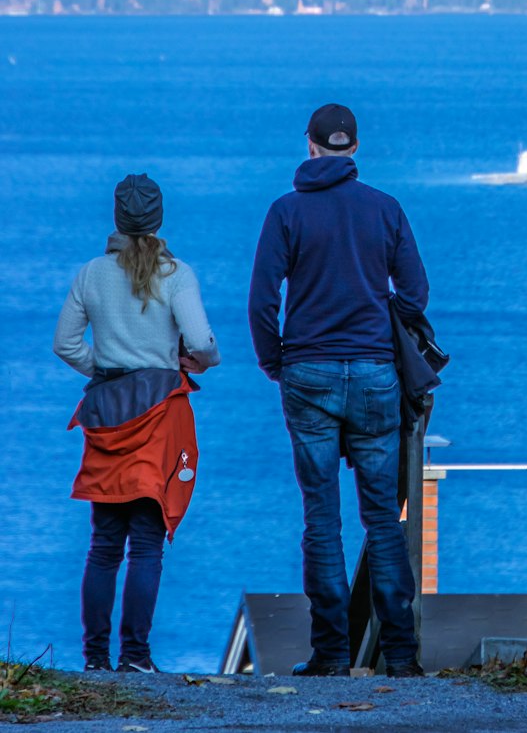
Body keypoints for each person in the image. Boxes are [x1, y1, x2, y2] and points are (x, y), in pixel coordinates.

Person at [249, 103, 429, 678]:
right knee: (383, 517)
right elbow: (416, 294)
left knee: (321, 517)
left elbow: (261, 302)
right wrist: (381, 319)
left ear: (310, 146)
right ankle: (400, 654)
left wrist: (275, 359)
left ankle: (330, 652)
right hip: (377, 373)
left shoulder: (285, 212)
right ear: (354, 148)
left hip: (308, 374)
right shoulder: (385, 208)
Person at [53, 173, 220, 674]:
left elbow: (65, 344)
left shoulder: (91, 273)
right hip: (160, 413)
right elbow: (203, 342)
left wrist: (105, 370)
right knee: (147, 542)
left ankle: (95, 659)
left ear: (117, 217)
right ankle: (136, 657)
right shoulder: (178, 274)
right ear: (159, 218)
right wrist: (188, 362)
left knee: (105, 544)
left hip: (107, 412)